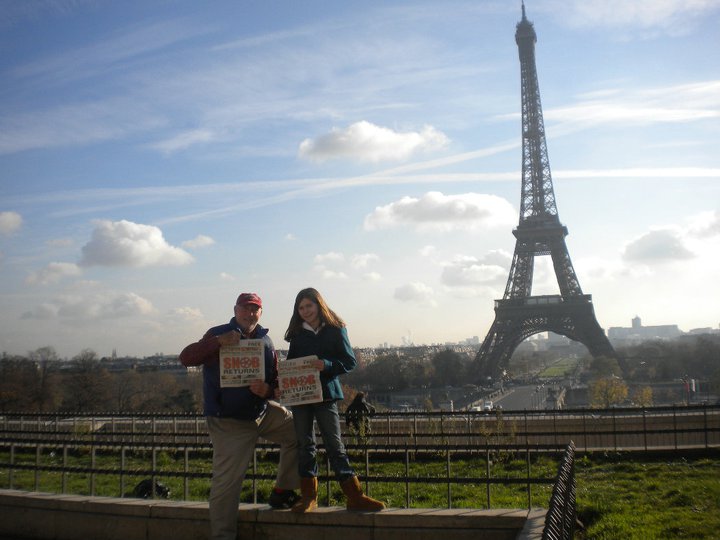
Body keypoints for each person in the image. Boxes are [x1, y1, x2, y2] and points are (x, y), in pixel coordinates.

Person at [179, 292, 300, 540]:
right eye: (245, 309)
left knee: (298, 430)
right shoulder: (218, 333)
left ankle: (282, 490)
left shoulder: (265, 340)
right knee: (228, 484)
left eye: (254, 309)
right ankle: (223, 536)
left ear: (261, 313)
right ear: (235, 310)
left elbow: (274, 378)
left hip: (261, 412)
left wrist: (267, 390)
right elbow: (186, 357)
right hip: (228, 421)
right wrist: (218, 342)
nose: (249, 313)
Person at [283, 287, 385, 513]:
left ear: (319, 305)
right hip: (302, 395)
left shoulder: (336, 329)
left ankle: (353, 496)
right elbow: (291, 365)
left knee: (334, 444)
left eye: (308, 306)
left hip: (325, 394)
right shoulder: (297, 334)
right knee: (304, 445)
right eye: (301, 308)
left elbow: (349, 362)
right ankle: (310, 496)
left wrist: (326, 365)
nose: (305, 311)